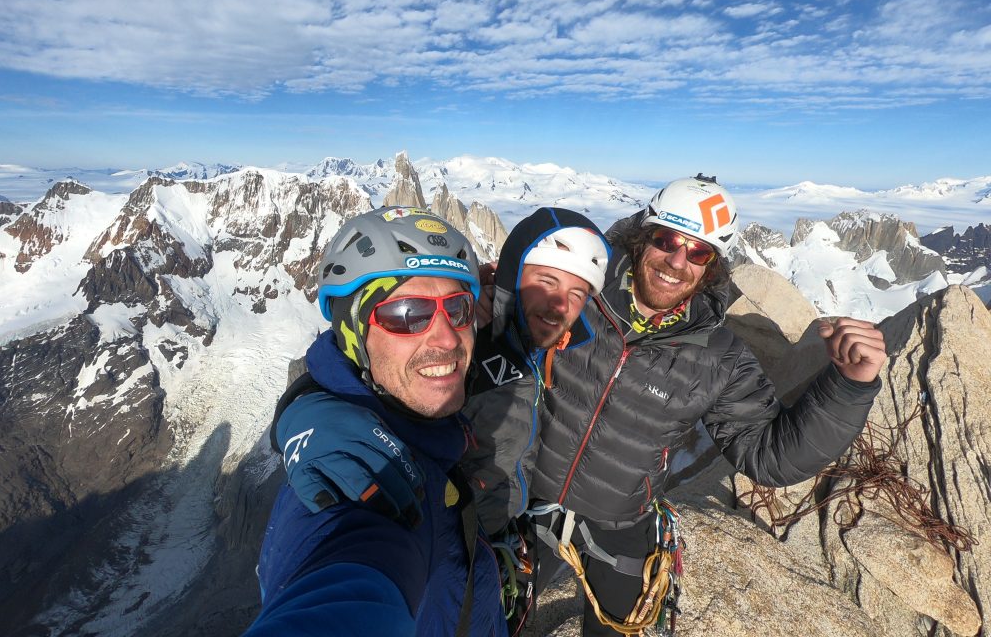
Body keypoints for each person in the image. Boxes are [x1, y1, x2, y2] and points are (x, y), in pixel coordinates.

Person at [274, 177, 888, 636]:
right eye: (667, 240)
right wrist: (311, 414)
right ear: (642, 236)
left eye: (698, 252)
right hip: (520, 510)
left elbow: (769, 456)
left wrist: (849, 386)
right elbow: (384, 371)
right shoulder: (574, 291)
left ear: (714, 264)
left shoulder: (719, 358)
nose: (677, 260)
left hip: (616, 522)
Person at [244, 206, 508, 637]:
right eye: (407, 314)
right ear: (353, 334)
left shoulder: (426, 427)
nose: (446, 337)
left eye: (458, 309)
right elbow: (344, 584)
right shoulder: (355, 478)